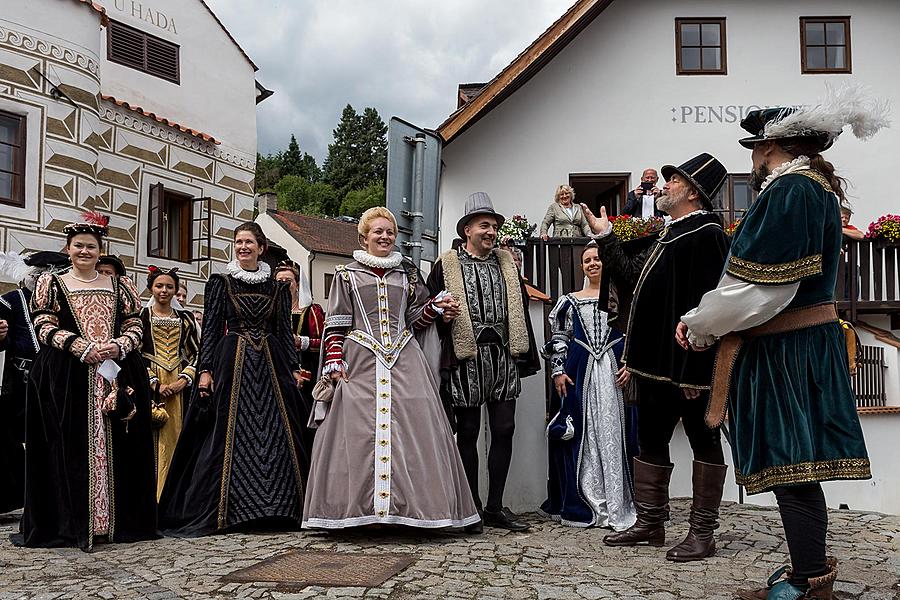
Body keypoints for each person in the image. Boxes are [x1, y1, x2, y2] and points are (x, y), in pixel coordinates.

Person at [678, 95, 882, 598]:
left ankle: (810, 581)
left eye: (755, 148)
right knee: (799, 467)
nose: (751, 158)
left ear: (773, 146)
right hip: (801, 344)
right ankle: (808, 572)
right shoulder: (812, 189)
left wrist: (699, 323)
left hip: (786, 350)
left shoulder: (791, 190)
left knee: (792, 466)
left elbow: (761, 289)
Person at [581, 153, 730, 561]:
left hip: (686, 368)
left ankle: (702, 533)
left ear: (693, 193)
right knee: (651, 440)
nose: (664, 186)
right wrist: (607, 236)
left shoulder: (707, 234)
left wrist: (697, 373)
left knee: (704, 440)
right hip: (653, 367)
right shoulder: (670, 233)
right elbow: (633, 281)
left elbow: (708, 308)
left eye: (674, 180)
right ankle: (651, 523)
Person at [302, 207, 479, 530]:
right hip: (360, 361)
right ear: (364, 237)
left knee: (416, 428)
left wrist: (434, 308)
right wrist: (334, 360)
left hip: (404, 356)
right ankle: (359, 512)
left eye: (389, 232)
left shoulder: (405, 275)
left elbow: (414, 320)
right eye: (378, 232)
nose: (384, 237)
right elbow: (337, 323)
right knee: (356, 434)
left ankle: (409, 512)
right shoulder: (347, 275)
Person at [14, 212, 156, 550]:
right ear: (68, 249)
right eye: (78, 246)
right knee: (66, 445)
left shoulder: (121, 285)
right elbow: (43, 324)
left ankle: (117, 522)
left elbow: (136, 323)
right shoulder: (53, 283)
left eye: (91, 247)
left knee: (123, 443)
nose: (85, 252)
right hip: (68, 377)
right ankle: (71, 521)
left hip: (116, 374)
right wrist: (78, 346)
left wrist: (120, 344)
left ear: (99, 250)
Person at [158, 222, 310, 536]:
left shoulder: (277, 287)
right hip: (233, 363)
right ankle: (235, 509)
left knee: (276, 432)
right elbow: (211, 331)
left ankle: (279, 509)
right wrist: (205, 371)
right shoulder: (221, 282)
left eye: (248, 242)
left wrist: (293, 368)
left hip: (271, 363)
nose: (242, 247)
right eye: (238, 242)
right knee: (228, 435)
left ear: (260, 248)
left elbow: (283, 332)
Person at [427, 192, 541, 532]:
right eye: (483, 226)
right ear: (467, 230)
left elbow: (518, 310)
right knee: (469, 433)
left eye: (493, 226)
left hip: (502, 356)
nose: (490, 232)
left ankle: (495, 507)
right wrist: (440, 315)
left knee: (505, 429)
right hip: (467, 359)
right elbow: (429, 310)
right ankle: (472, 507)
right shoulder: (446, 265)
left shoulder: (506, 264)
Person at [540, 241, 636, 530]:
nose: (593, 263)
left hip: (615, 372)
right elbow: (560, 337)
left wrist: (630, 364)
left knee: (617, 433)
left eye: (597, 258)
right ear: (582, 267)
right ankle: (587, 500)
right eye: (587, 260)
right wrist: (557, 371)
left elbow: (634, 334)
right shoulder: (570, 301)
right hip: (580, 374)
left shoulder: (622, 297)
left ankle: (620, 499)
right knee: (584, 433)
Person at [0, 251, 70, 515]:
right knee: (21, 441)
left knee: (57, 439)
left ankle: (57, 498)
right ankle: (26, 498)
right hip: (22, 383)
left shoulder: (64, 304)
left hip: (59, 381)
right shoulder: (12, 301)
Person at [139, 266, 200, 499]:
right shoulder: (142, 317)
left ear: (175, 290)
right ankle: (150, 497)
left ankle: (174, 497)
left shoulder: (185, 319)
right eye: (159, 286)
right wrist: (155, 383)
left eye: (169, 287)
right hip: (151, 383)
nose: (164, 290)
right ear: (151, 288)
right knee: (151, 438)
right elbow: (136, 354)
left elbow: (196, 353)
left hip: (178, 383)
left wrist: (184, 379)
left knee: (179, 435)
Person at [273, 260, 325, 395]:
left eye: (288, 280)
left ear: (297, 285)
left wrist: (302, 342)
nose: (284, 284)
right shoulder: (270, 311)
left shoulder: (311, 311)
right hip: (276, 370)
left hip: (304, 373)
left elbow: (325, 343)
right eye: (280, 280)